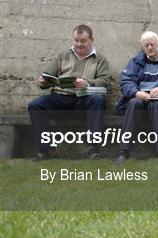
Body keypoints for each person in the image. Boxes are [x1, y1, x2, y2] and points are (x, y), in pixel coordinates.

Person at [27, 24, 111, 161]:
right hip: (60, 97)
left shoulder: (100, 59)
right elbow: (47, 74)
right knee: (35, 105)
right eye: (76, 40)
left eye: (83, 41)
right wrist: (43, 81)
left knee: (98, 100)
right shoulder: (62, 56)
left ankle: (93, 149)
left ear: (91, 40)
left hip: (83, 98)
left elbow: (104, 80)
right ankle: (46, 149)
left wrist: (87, 83)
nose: (79, 44)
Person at [114, 31, 158, 164]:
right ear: (142, 46)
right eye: (146, 45)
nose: (149, 48)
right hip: (140, 97)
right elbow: (126, 82)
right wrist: (136, 93)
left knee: (156, 104)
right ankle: (123, 151)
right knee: (134, 103)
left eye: (152, 44)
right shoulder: (135, 62)